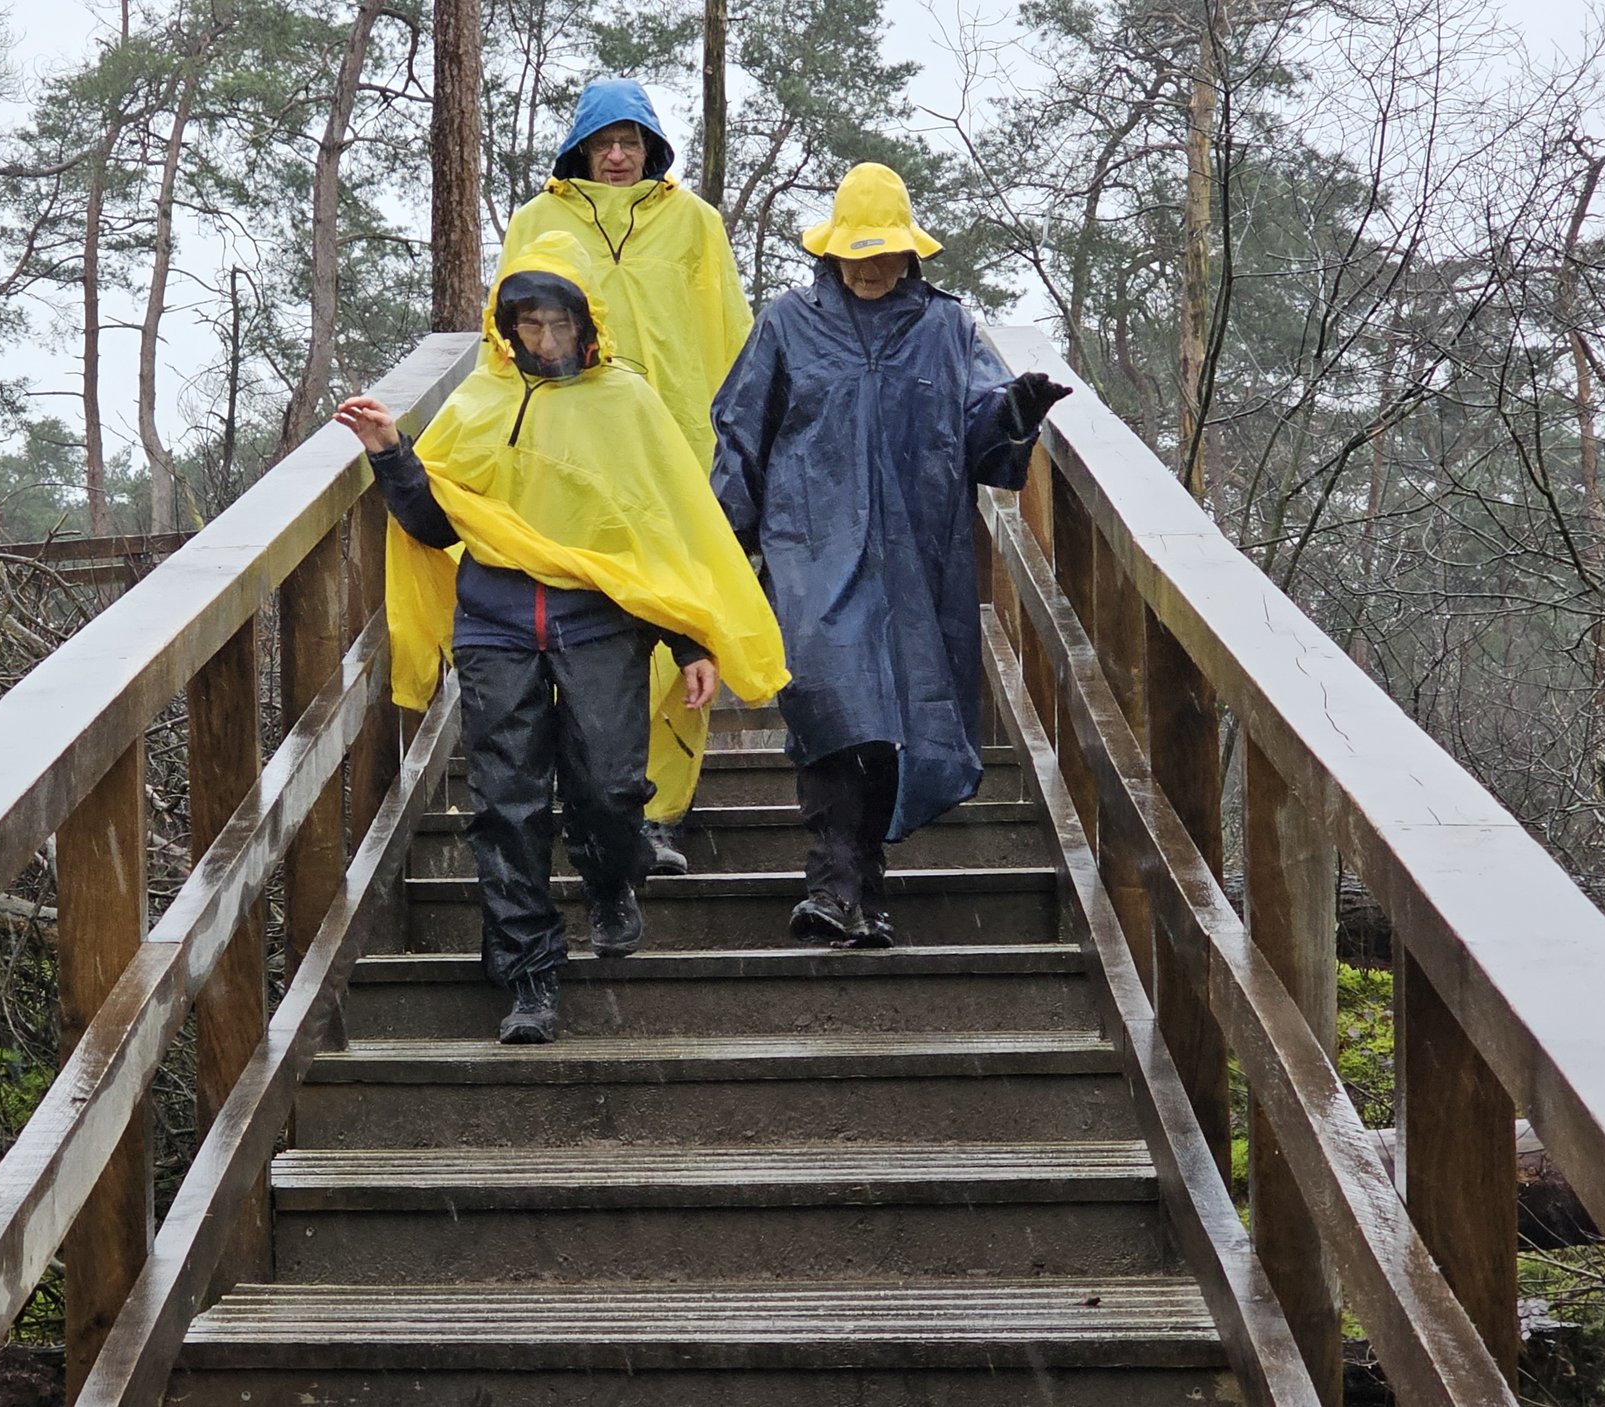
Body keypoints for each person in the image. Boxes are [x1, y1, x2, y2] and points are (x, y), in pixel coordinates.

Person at [337, 230, 786, 1042]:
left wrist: (689, 643)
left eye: (559, 324)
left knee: (611, 789)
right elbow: (436, 523)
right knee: (506, 806)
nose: (545, 342)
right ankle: (531, 978)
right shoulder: (479, 403)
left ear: (589, 323)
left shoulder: (629, 404)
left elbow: (660, 535)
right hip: (495, 626)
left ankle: (614, 882)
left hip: (600, 624)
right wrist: (392, 455)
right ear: (505, 325)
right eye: (528, 325)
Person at [711, 162, 1071, 948]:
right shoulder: (786, 324)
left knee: (890, 719)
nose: (871, 269)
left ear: (912, 254)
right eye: (856, 254)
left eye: (885, 255)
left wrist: (1014, 411)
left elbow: (979, 430)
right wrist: (722, 548)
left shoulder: (946, 328)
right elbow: (742, 436)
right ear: (831, 253)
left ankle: (860, 890)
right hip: (812, 548)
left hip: (916, 551)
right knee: (833, 705)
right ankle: (834, 883)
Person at [502, 78, 754, 874]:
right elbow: (499, 337)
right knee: (582, 638)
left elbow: (736, 341)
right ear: (580, 147)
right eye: (604, 142)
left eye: (632, 143)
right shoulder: (537, 223)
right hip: (569, 464)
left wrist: (740, 454)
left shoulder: (695, 225)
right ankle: (589, 808)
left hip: (679, 457)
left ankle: (659, 814)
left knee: (680, 629)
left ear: (651, 149)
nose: (617, 156)